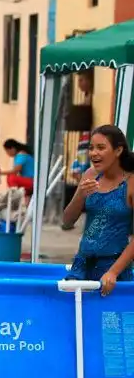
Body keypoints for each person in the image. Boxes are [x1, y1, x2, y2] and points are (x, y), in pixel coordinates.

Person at [63, 125, 134, 296]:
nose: (94, 153)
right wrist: (80, 194)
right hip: (81, 264)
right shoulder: (90, 175)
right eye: (91, 148)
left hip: (112, 267)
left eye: (101, 148)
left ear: (118, 151)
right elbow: (67, 221)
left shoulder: (131, 183)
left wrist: (113, 272)